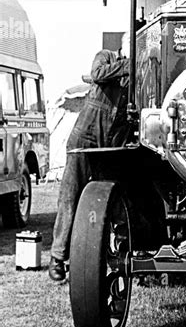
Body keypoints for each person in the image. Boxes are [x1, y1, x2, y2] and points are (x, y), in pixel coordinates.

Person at [48, 32, 131, 282]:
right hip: (84, 140)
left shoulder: (137, 77)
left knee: (115, 199)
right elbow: (97, 74)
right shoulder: (106, 57)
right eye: (132, 45)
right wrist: (129, 65)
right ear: (125, 47)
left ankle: (121, 251)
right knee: (70, 194)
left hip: (110, 145)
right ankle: (58, 257)